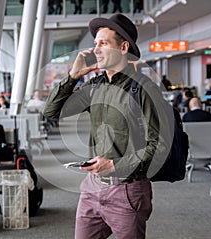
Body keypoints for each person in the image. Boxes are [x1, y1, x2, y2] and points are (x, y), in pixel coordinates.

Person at [43, 13, 169, 239]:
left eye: (104, 43)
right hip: (92, 187)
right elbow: (52, 111)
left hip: (127, 190)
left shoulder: (143, 89)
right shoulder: (95, 86)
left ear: (123, 47)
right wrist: (73, 76)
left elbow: (160, 146)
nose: (96, 49)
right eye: (95, 44)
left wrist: (115, 164)